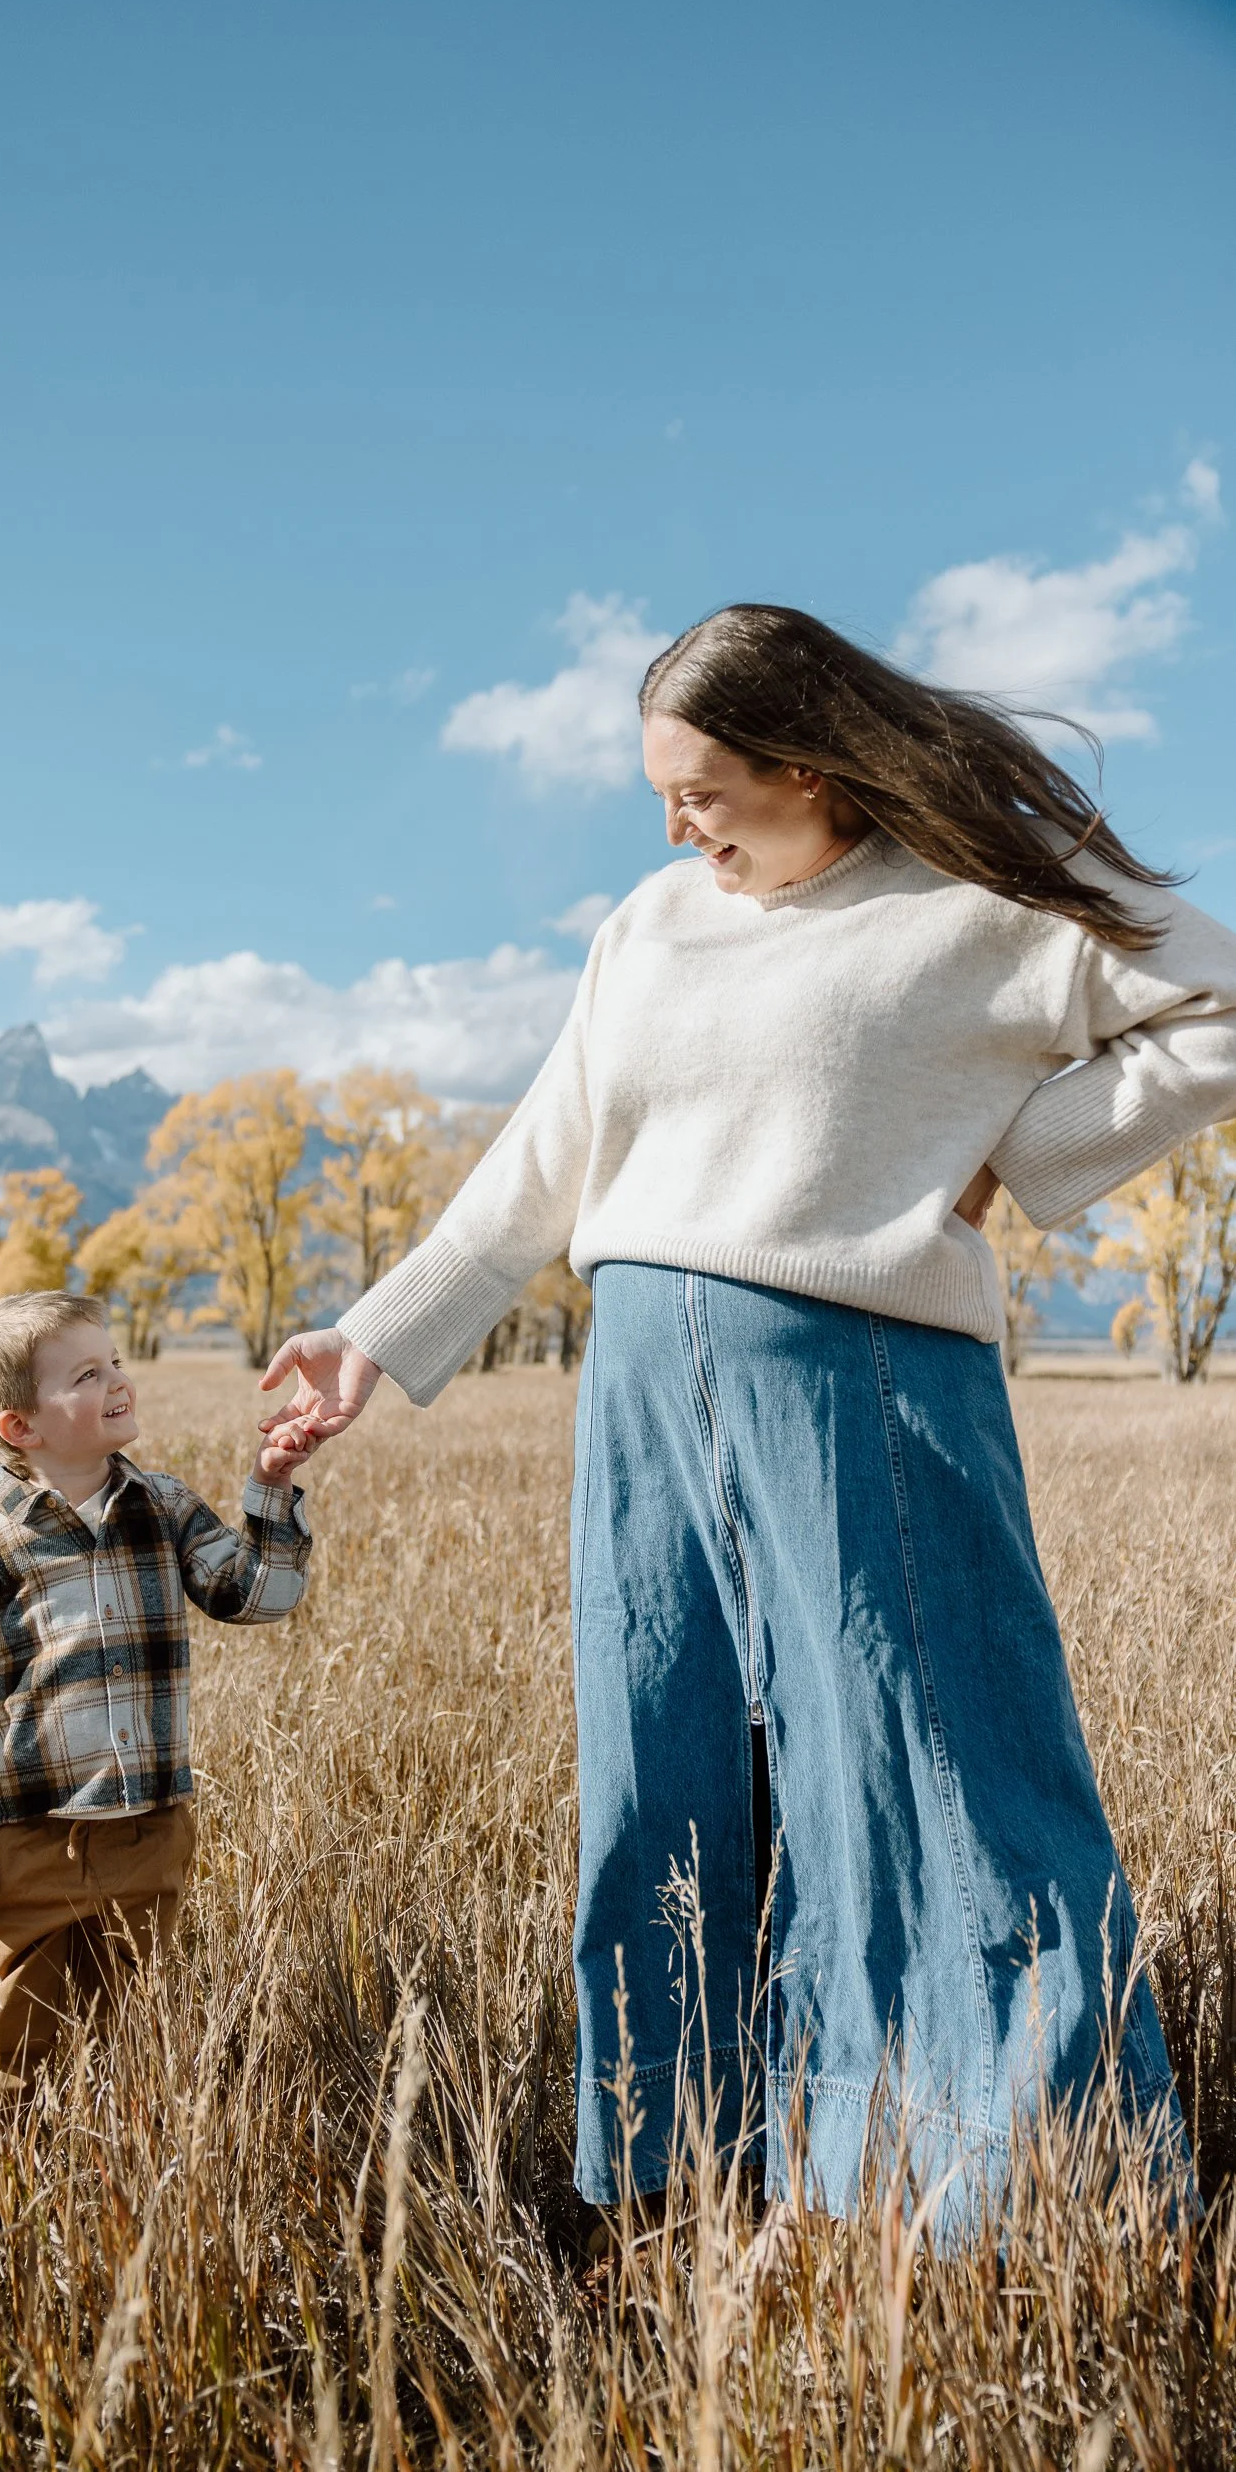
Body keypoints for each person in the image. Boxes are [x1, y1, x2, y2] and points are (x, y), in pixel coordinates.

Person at [259, 603, 1236, 2226]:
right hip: (640, 1387)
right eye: (659, 791)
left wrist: (1025, 1152)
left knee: (932, 1775)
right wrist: (375, 1338)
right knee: (662, 1768)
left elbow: (1216, 1005)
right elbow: (547, 1155)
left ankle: (1010, 2189)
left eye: (701, 789)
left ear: (811, 766)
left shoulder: (983, 899)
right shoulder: (648, 922)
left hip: (866, 1381)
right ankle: (685, 2170)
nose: (670, 825)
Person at [0, 1290, 321, 2164]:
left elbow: (256, 1596)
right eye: (87, 1374)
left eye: (117, 1361)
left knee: (134, 2021)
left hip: (149, 1829)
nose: (118, 1381)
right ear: (21, 1426)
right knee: (11, 2031)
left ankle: (117, 2168)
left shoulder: (162, 1508)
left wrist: (271, 1489)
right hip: (30, 1842)